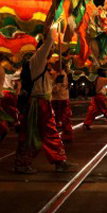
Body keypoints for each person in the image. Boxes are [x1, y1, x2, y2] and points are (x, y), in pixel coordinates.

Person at [13, 10, 70, 174]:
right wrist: (54, 20)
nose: (52, 51)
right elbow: (49, 40)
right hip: (38, 104)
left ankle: (58, 160)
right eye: (50, 49)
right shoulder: (37, 59)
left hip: (43, 102)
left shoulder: (43, 66)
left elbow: (46, 88)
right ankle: (24, 163)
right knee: (36, 133)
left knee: (43, 133)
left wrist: (54, 82)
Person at [51, 64, 73, 143]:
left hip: (59, 98)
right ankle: (66, 134)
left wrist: (50, 89)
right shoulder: (59, 74)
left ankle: (67, 135)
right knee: (62, 117)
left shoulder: (61, 75)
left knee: (62, 117)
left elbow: (56, 88)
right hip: (61, 98)